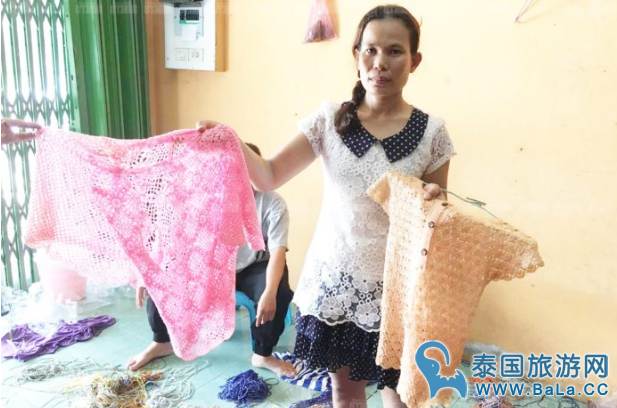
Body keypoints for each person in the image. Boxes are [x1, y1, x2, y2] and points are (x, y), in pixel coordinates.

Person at [197, 5, 455, 407]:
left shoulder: (432, 134)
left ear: (414, 60)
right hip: (336, 286)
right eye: (370, 50)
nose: (380, 63)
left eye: (394, 51)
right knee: (345, 395)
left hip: (399, 289)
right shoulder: (329, 121)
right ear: (356, 56)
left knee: (402, 396)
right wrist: (231, 140)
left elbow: (439, 212)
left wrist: (437, 201)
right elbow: (268, 176)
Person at [127, 143, 297, 378]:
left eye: (249, 173)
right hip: (215, 265)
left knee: (277, 291)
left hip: (256, 265)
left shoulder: (273, 203)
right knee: (161, 278)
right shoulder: (207, 198)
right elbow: (174, 241)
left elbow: (278, 252)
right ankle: (161, 342)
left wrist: (269, 291)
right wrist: (146, 276)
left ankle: (263, 354)